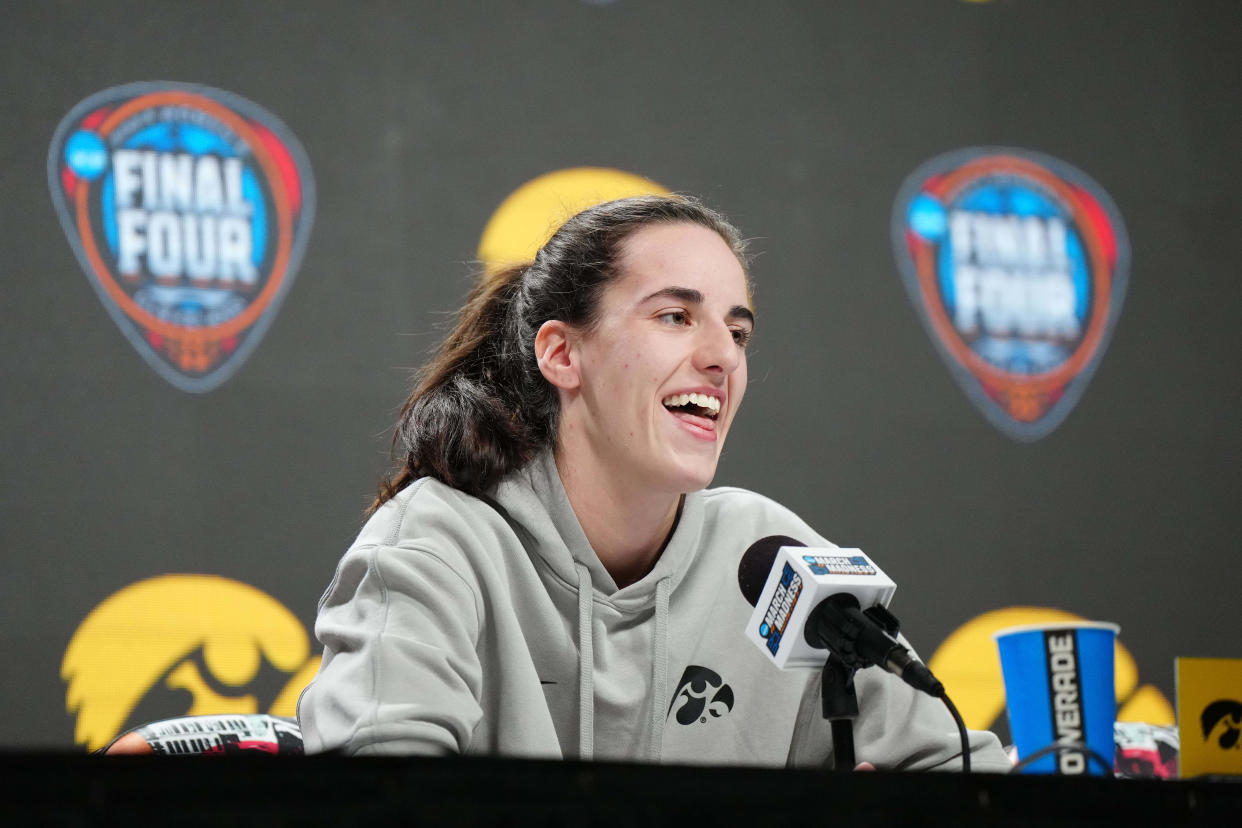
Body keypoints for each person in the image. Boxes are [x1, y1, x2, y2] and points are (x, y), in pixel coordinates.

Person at [298, 195, 1010, 770]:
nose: (721, 358)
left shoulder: (770, 559)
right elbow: (377, 795)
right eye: (676, 316)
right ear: (562, 352)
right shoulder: (436, 544)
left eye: (738, 332)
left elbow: (968, 781)